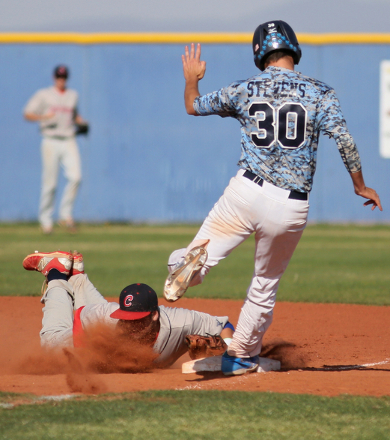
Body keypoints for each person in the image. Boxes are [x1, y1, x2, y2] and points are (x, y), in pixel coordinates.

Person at [163, 20, 382, 376]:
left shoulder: (245, 88)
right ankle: (242, 356)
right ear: (293, 48)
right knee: (263, 284)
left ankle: (185, 266)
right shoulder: (320, 92)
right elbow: (345, 141)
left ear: (259, 54)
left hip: (245, 190)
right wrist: (360, 185)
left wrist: (192, 79)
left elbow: (193, 106)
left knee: (197, 253)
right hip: (290, 205)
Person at [22, 250, 234, 368]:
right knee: (50, 343)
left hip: (106, 311)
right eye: (126, 317)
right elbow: (82, 314)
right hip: (87, 320)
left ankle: (78, 276)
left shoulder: (182, 322)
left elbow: (223, 324)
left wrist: (229, 349)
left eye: (137, 318)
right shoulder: (108, 320)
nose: (130, 323)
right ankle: (56, 271)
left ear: (154, 315)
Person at [23, 65, 89, 234]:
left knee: (76, 177)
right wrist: (44, 117)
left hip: (68, 139)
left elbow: (74, 116)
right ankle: (46, 221)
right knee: (50, 183)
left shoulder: (72, 95)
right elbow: (27, 113)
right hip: (50, 139)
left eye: (64, 77)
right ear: (54, 78)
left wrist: (82, 122)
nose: (62, 80)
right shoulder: (44, 95)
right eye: (59, 77)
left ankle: (65, 215)